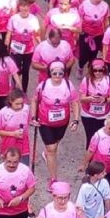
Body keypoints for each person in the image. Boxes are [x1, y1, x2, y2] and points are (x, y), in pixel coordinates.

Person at [30, 61, 79, 189]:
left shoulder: (68, 85)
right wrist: (33, 116)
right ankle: (53, 179)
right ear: (50, 73)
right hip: (45, 121)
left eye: (60, 73)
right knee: (52, 149)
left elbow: (75, 102)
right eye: (54, 73)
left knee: (55, 145)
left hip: (62, 122)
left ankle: (47, 153)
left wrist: (76, 120)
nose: (57, 75)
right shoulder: (43, 86)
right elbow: (34, 100)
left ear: (64, 73)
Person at [80, 114, 110, 186]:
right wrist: (84, 164)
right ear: (105, 125)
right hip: (99, 168)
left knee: (108, 184)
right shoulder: (98, 135)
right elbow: (90, 151)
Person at [5, 0, 41, 91]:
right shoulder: (14, 18)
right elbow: (9, 32)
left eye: (27, 6)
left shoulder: (33, 19)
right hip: (16, 49)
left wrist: (41, 44)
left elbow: (36, 34)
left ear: (29, 7)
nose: (25, 8)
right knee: (15, 69)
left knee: (26, 71)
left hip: (29, 50)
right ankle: (13, 88)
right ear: (19, 7)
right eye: (22, 6)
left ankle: (24, 91)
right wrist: (6, 45)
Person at [78, 59, 110, 145]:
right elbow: (81, 98)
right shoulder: (86, 80)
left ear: (104, 69)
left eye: (100, 70)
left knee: (102, 137)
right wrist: (90, 98)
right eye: (95, 70)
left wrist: (105, 100)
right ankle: (90, 157)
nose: (97, 73)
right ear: (91, 70)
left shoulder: (109, 80)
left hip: (104, 114)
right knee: (91, 138)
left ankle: (100, 156)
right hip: (88, 114)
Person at [0, 89, 30, 164]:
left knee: (24, 168)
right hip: (9, 145)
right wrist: (13, 134)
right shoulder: (3, 113)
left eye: (22, 103)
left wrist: (34, 121)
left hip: (23, 145)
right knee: (10, 168)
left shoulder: (26, 109)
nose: (20, 106)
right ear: (11, 101)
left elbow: (29, 121)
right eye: (17, 104)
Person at [77, 0, 109, 71]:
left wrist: (106, 31)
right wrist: (79, 29)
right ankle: (80, 67)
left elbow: (106, 19)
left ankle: (90, 71)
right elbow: (80, 17)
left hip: (98, 34)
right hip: (85, 33)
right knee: (83, 54)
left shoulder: (105, 6)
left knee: (93, 53)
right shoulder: (85, 4)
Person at [45, 0, 82, 65]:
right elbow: (44, 25)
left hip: (68, 44)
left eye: (65, 4)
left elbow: (79, 30)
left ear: (70, 5)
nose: (62, 6)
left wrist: (69, 27)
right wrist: (43, 40)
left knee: (68, 62)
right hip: (52, 43)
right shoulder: (52, 12)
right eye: (60, 3)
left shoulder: (75, 15)